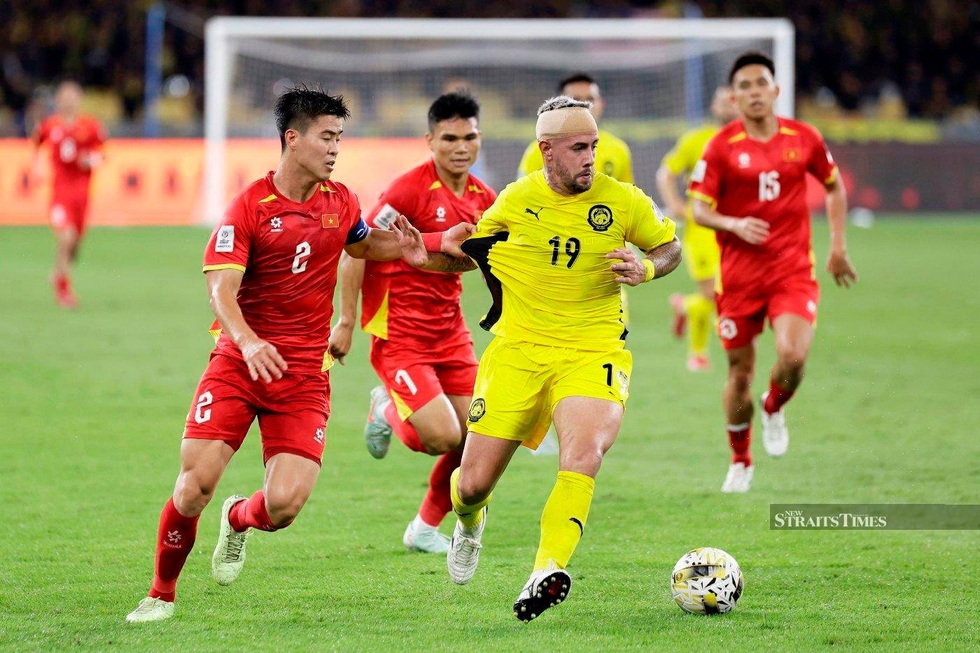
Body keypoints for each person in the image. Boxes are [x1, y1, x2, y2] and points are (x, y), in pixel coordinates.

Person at [124, 86, 447, 623]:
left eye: (339, 137)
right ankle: (160, 594)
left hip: (302, 377)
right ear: (292, 139)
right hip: (237, 364)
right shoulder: (250, 205)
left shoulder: (341, 201)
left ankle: (240, 519)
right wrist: (249, 341)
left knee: (285, 506)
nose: (335, 148)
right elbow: (221, 291)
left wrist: (418, 246)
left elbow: (362, 243)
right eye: (326, 136)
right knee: (194, 485)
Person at [423, 96, 680, 621]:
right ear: (547, 151)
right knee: (470, 486)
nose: (591, 158)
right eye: (579, 148)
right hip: (518, 352)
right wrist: (424, 255)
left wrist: (647, 267)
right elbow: (466, 259)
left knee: (584, 454)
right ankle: (469, 523)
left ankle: (546, 569)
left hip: (593, 350)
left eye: (594, 146)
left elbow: (670, 246)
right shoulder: (515, 201)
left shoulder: (623, 200)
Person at [328, 91, 496, 554]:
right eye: (450, 138)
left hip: (451, 333)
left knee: (482, 437)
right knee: (443, 437)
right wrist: (345, 320)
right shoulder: (407, 191)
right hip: (400, 333)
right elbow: (356, 247)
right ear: (430, 140)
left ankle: (424, 527)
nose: (461, 147)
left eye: (469, 137)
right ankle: (384, 407)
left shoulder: (486, 198)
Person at [688, 52, 858, 493]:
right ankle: (741, 461)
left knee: (793, 356)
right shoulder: (721, 146)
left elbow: (834, 186)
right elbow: (698, 209)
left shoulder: (803, 137)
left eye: (760, 82)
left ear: (776, 90)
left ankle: (774, 405)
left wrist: (838, 246)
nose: (753, 91)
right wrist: (733, 223)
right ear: (734, 96)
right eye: (744, 86)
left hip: (791, 272)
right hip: (739, 278)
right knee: (739, 374)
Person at [656, 85, 739, 372]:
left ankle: (684, 307)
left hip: (738, 229)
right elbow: (666, 173)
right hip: (703, 227)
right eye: (722, 101)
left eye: (733, 101)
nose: (728, 106)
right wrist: (676, 205)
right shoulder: (696, 141)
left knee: (733, 294)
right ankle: (698, 353)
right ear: (714, 108)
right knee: (713, 295)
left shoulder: (752, 142)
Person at [32, 81, 107, 309]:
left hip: (82, 193)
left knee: (75, 244)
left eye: (72, 96)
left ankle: (59, 272)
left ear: (79, 98)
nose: (68, 101)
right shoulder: (49, 126)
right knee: (66, 237)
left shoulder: (90, 126)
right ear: (58, 100)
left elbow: (102, 155)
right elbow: (36, 144)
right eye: (64, 96)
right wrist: (37, 168)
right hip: (60, 192)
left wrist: (90, 160)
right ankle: (63, 288)